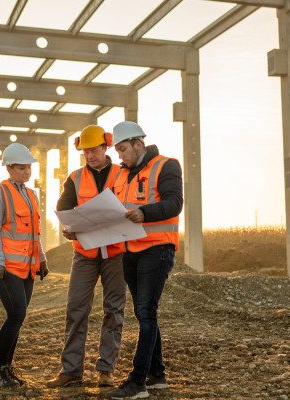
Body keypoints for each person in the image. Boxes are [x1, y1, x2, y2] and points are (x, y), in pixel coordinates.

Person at [104, 121, 183, 400]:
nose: (120, 156)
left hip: (157, 250)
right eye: (117, 151)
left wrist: (144, 213)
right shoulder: (121, 175)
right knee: (144, 313)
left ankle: (138, 383)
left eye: (123, 149)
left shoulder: (166, 165)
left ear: (139, 144)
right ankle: (157, 374)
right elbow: (111, 211)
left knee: (147, 312)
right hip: (130, 251)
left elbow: (175, 203)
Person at [46, 126, 126, 388]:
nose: (90, 156)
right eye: (85, 152)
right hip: (85, 253)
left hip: (115, 253)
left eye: (93, 151)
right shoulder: (75, 178)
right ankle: (71, 371)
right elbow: (63, 209)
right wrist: (69, 228)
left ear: (106, 148)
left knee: (114, 311)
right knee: (76, 309)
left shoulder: (123, 174)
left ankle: (106, 370)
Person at [0, 142, 49, 388]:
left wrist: (41, 258)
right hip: (5, 267)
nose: (27, 172)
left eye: (29, 167)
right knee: (16, 315)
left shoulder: (30, 194)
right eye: (22, 167)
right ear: (9, 168)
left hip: (27, 267)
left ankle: (6, 370)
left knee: (18, 318)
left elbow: (35, 232)